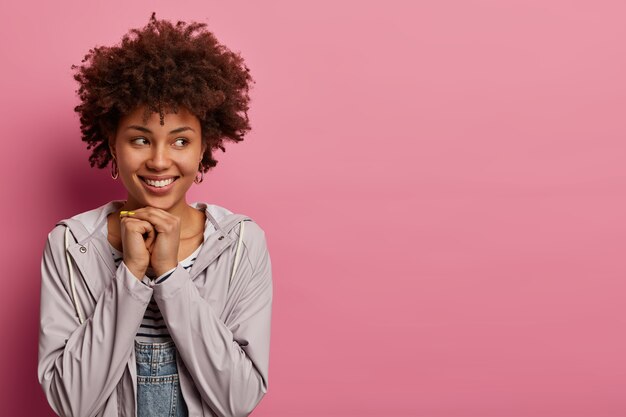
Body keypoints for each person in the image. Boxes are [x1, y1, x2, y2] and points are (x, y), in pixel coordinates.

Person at [37, 13, 272, 417]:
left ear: (203, 149)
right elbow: (71, 403)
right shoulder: (70, 245)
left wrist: (168, 275)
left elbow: (239, 400)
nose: (159, 160)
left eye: (180, 140)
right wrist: (130, 274)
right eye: (140, 139)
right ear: (112, 144)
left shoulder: (239, 244)